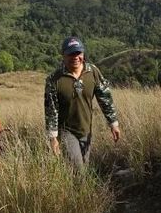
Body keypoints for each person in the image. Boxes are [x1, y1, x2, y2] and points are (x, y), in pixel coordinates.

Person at [44, 36, 121, 170]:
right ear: (63, 55)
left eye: (78, 53)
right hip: (66, 131)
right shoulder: (54, 79)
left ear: (83, 53)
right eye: (70, 54)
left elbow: (104, 97)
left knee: (84, 167)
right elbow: (51, 109)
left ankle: (78, 190)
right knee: (78, 168)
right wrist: (53, 137)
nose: (75, 57)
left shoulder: (92, 72)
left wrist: (113, 123)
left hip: (86, 129)